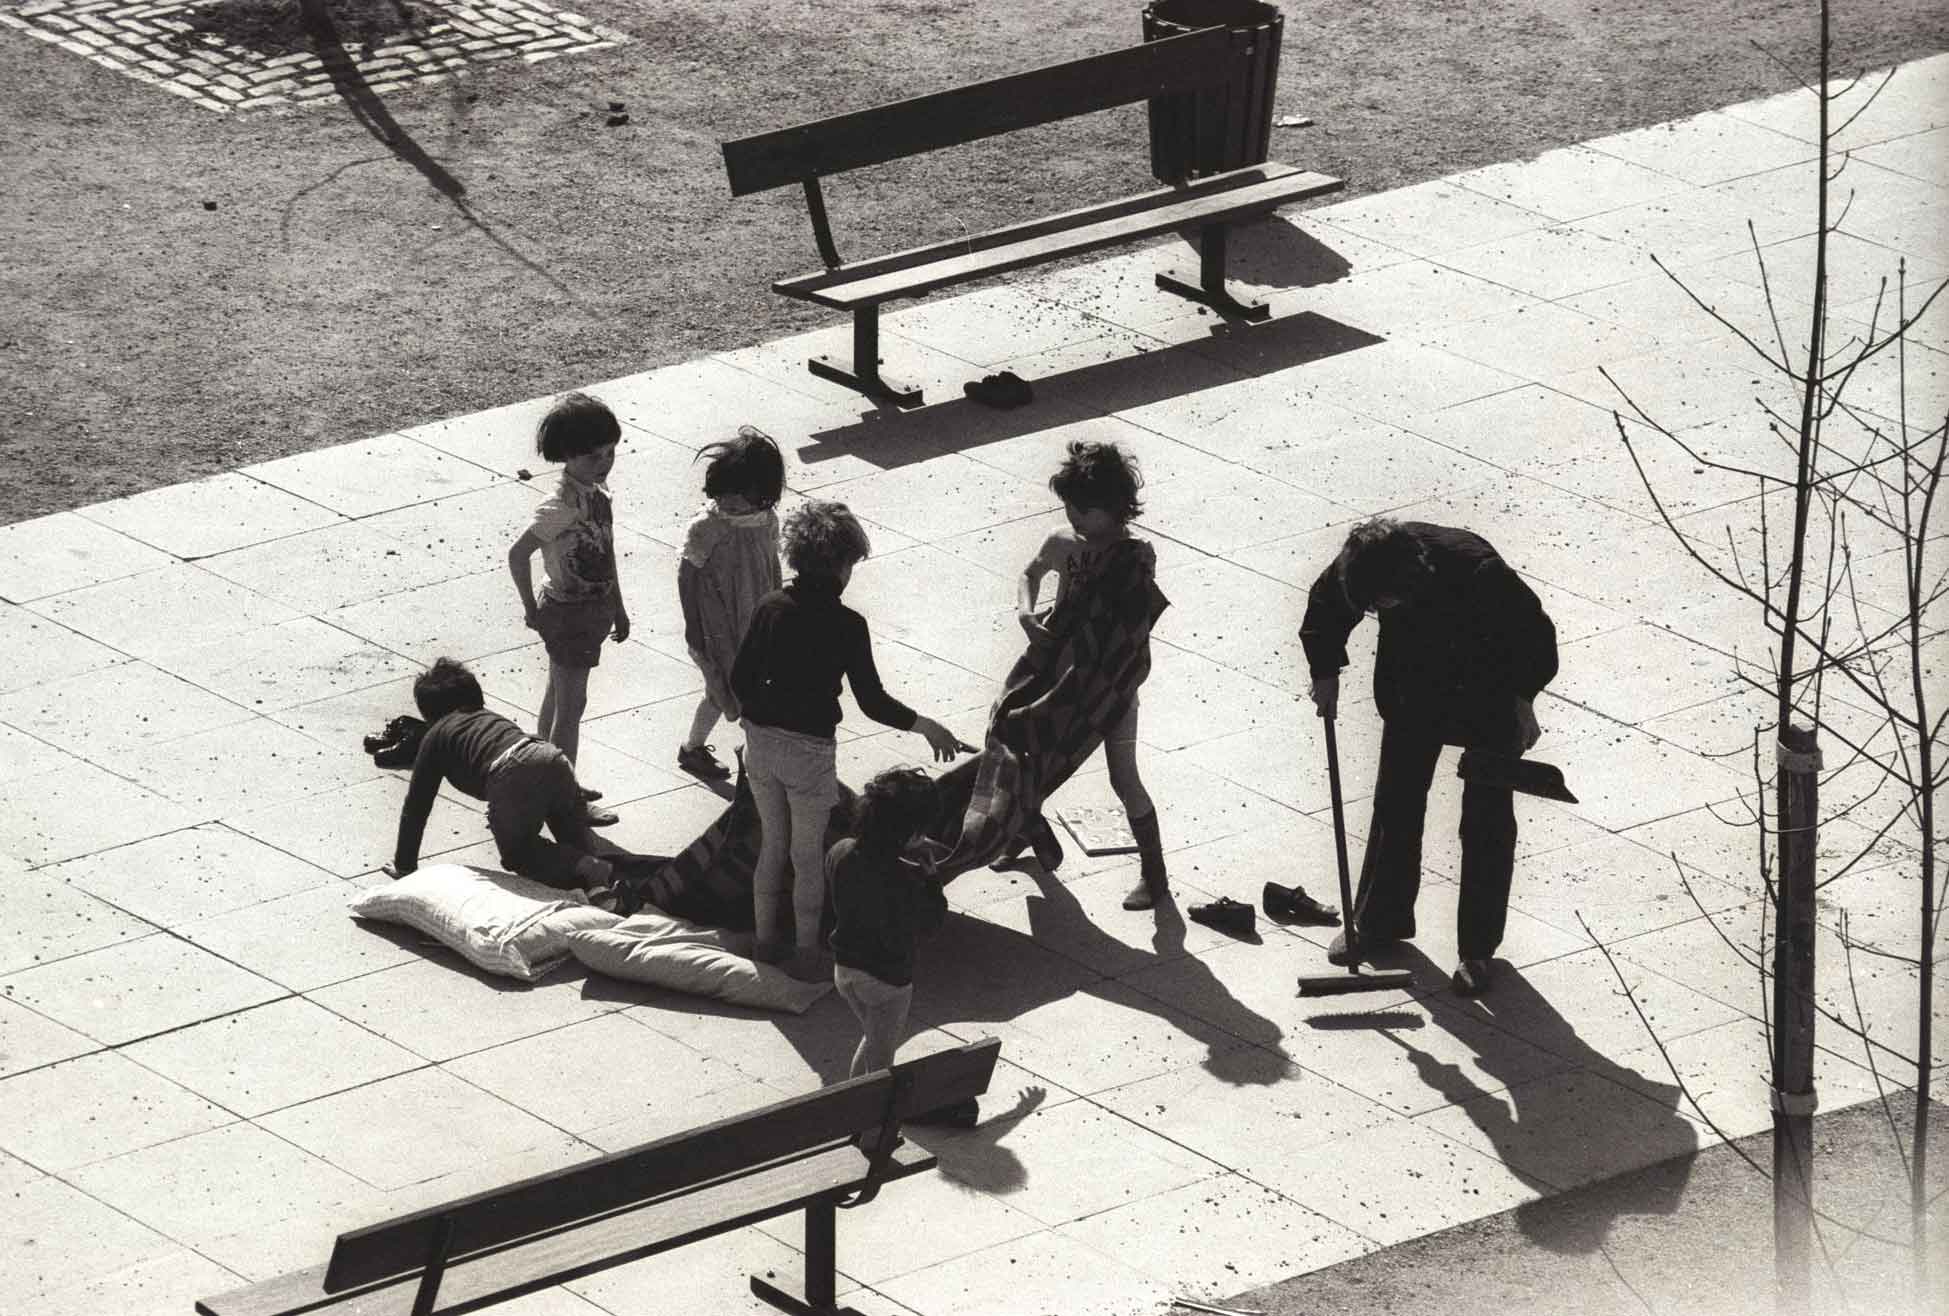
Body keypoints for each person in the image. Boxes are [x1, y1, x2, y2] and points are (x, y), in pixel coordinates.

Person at [1299, 517, 1559, 997]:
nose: (1378, 609)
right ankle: (1378, 921)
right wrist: (1325, 669)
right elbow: (1327, 605)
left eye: (1385, 602)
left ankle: (1477, 950)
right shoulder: (1363, 563)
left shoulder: (1478, 572)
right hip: (1412, 690)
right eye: (1372, 605)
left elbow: (1536, 635)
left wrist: (1524, 699)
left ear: (1411, 578)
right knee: (1395, 804)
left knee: (1485, 821)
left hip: (1488, 695)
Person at [730, 500, 969, 979]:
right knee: (807, 856)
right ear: (842, 564)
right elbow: (872, 701)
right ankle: (804, 950)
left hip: (760, 743)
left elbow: (739, 680)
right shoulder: (847, 625)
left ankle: (764, 942)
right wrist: (926, 726)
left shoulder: (769, 607)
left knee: (773, 846)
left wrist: (763, 717)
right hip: (809, 752)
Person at [1014, 439, 1170, 912]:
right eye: (1070, 509)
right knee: (1026, 750)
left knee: (1124, 778)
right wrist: (1025, 614)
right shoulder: (1063, 542)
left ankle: (1154, 874)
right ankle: (1023, 830)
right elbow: (1030, 573)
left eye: (1084, 510)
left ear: (1114, 507)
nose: (1076, 518)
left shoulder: (1133, 556)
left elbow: (1128, 631)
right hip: (1058, 674)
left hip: (1111, 688)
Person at [389, 658, 614, 894]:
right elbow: (533, 759)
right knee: (570, 834)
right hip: (550, 755)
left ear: (429, 713)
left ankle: (587, 866)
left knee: (519, 853)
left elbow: (416, 806)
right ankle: (602, 886)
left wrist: (404, 866)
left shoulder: (436, 735)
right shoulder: (489, 717)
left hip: (510, 771)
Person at [508, 392, 629, 826]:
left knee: (557, 696)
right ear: (565, 455)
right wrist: (529, 609)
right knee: (571, 709)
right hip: (569, 614)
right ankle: (565, 796)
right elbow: (518, 555)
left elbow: (607, 551)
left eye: (610, 452)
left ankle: (540, 775)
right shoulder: (560, 505)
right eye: (593, 455)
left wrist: (618, 606)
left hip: (591, 610)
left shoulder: (595, 493)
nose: (605, 462)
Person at [676, 425, 784, 780]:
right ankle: (746, 758)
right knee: (726, 689)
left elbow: (771, 566)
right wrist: (693, 627)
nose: (727, 501)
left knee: (737, 690)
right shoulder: (707, 527)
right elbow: (687, 576)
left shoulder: (766, 521)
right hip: (720, 622)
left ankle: (696, 749)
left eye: (738, 494)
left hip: (756, 617)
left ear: (762, 493)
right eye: (722, 494)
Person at [828, 767, 948, 1081]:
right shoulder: (902, 881)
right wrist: (932, 882)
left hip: (845, 970)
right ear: (908, 833)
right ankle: (870, 1129)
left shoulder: (840, 852)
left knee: (872, 1040)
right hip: (886, 981)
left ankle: (852, 1117)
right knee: (880, 1069)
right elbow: (930, 924)